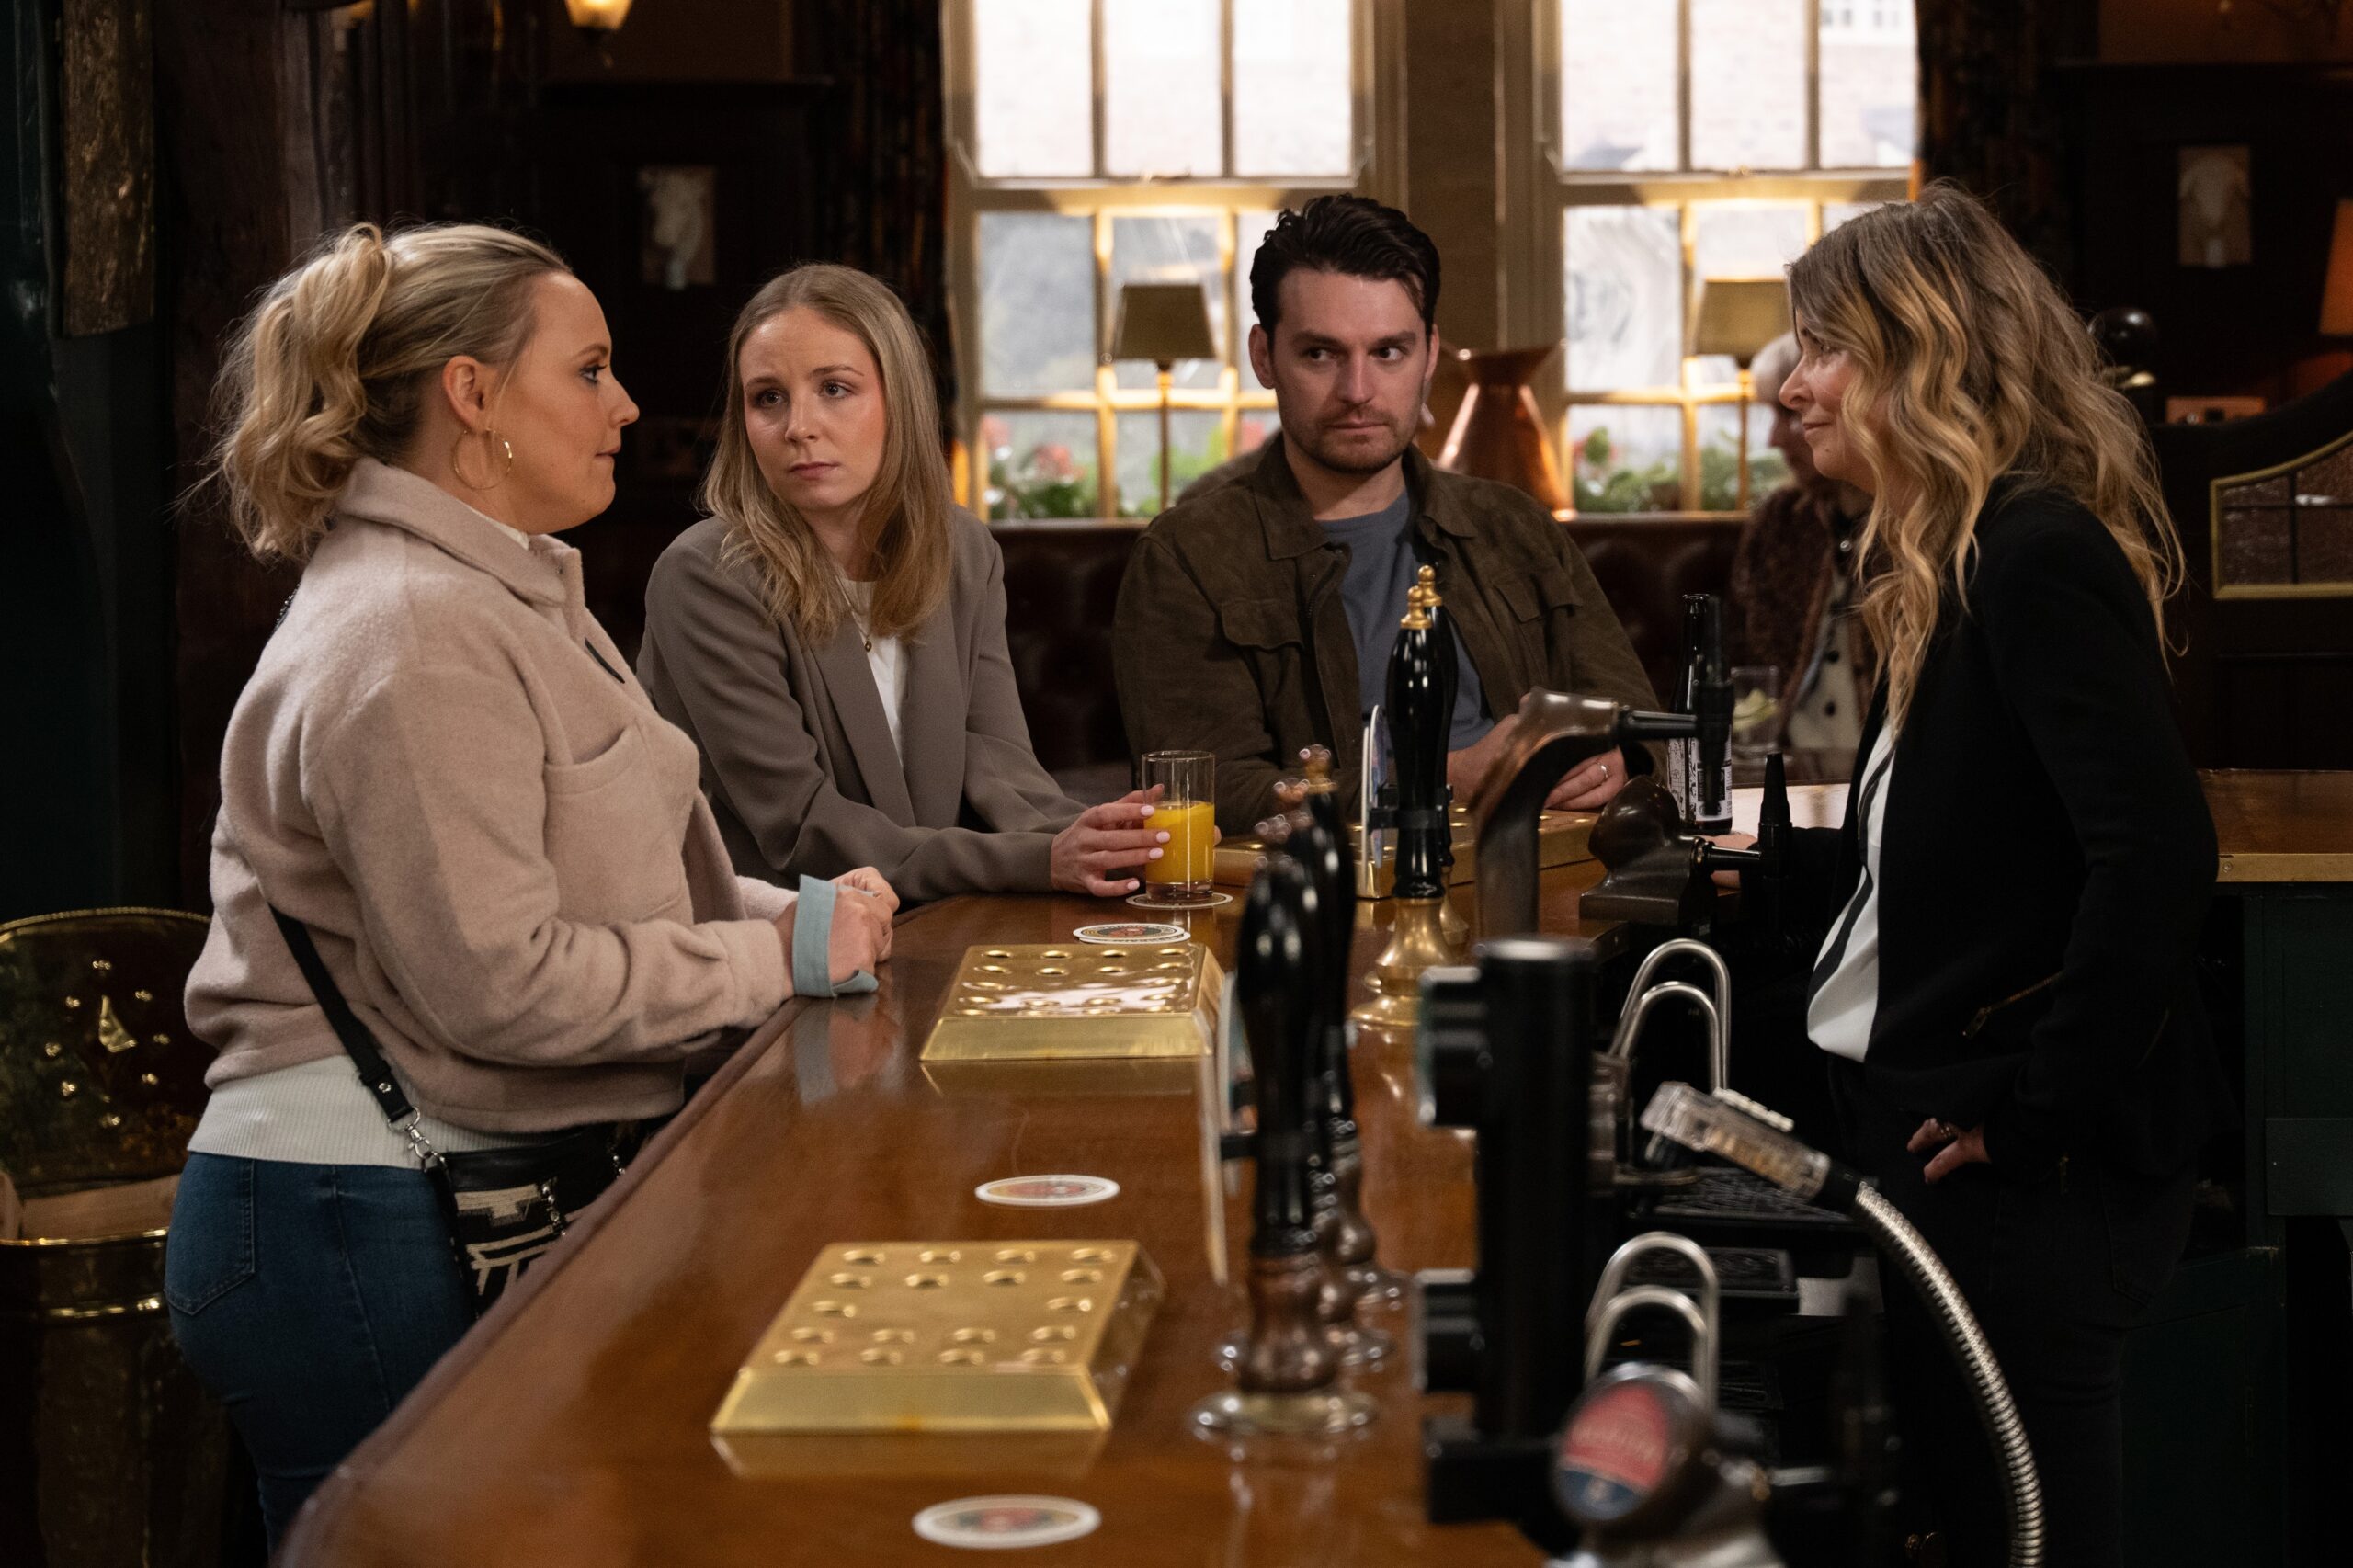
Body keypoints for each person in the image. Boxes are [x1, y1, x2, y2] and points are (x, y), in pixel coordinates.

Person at [164, 223, 896, 1544]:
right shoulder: (415, 632)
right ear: (474, 396)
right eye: (592, 369)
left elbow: (597, 890)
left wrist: (791, 913)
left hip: (411, 1201)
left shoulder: (491, 595)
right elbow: (506, 983)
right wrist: (776, 958)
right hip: (359, 1218)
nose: (625, 405)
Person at [1742, 185, 2229, 1567]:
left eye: (1826, 343)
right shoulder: (1934, 558)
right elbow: (1927, 852)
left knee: (2034, 1538)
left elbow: (2157, 854)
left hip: (2033, 1177)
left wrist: (2033, 1110)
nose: (1796, 381)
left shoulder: (2033, 551)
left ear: (1924, 355)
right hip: (1933, 1137)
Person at [1112, 195, 1657, 832]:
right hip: (1334, 902)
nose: (1358, 392)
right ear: (1265, 356)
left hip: (1541, 880)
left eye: (1388, 353)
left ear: (1429, 353)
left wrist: (1617, 761)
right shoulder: (1189, 558)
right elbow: (1205, 792)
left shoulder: (1515, 527)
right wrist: (1437, 781)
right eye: (1320, 354)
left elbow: (1644, 725)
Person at [638, 265, 1170, 903]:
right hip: (775, 945)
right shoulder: (704, 577)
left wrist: (1100, 837)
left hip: (926, 921)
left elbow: (999, 767)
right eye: (768, 398)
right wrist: (1034, 861)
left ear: (901, 400)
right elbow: (805, 829)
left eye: (834, 388)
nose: (797, 426)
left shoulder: (961, 550)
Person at [1727, 331, 1876, 753]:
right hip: (1782, 779)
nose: (1773, 440)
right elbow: (1738, 676)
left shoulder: (1916, 528)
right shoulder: (1779, 523)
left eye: (1790, 414)